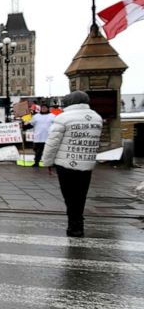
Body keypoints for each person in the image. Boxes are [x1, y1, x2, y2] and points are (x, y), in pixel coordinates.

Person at [41, 91, 102, 237]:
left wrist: (47, 161)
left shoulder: (63, 118)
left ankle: (74, 226)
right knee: (81, 195)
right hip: (86, 163)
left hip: (66, 163)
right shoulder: (96, 118)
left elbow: (53, 143)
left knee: (69, 196)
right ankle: (78, 222)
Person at [26, 102, 55, 168]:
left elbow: (56, 125)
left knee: (50, 151)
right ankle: (36, 163)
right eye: (42, 108)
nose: (43, 109)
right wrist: (25, 126)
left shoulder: (52, 116)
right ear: (41, 108)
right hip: (38, 137)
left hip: (49, 137)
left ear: (48, 108)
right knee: (38, 152)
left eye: (45, 108)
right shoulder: (36, 116)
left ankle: (51, 163)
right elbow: (31, 124)